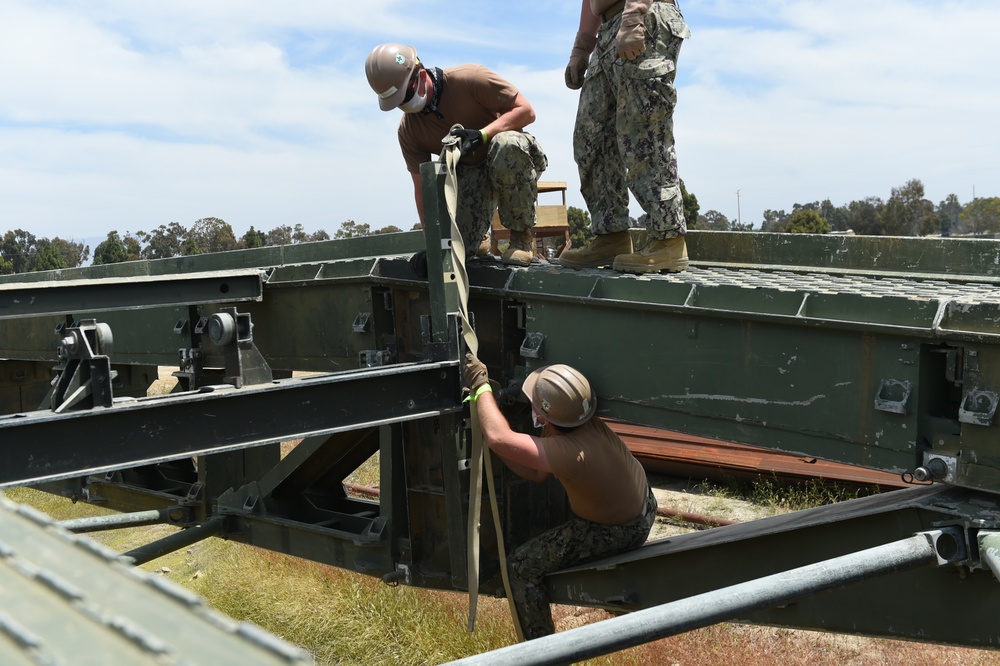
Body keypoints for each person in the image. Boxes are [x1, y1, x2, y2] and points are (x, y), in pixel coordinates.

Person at [463, 353, 657, 640]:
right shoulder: (581, 417)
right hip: (643, 505)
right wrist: (505, 450)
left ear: (542, 416)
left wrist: (481, 387)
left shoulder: (569, 453)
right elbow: (537, 473)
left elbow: (498, 437)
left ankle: (541, 647)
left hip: (619, 530)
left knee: (520, 567)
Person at [364, 43, 549, 275]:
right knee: (459, 251)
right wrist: (432, 244)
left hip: (513, 160)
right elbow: (423, 190)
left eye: (407, 95)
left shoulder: (471, 78)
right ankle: (479, 235)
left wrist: (482, 135)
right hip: (472, 179)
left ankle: (521, 237)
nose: (405, 105)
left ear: (420, 75)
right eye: (399, 102)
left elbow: (526, 111)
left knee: (507, 143)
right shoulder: (408, 131)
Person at [557, 0, 692, 274]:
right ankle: (611, 236)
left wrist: (633, 15)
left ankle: (669, 241)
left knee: (643, 132)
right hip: (609, 27)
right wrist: (582, 46)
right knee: (593, 138)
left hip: (643, 16)